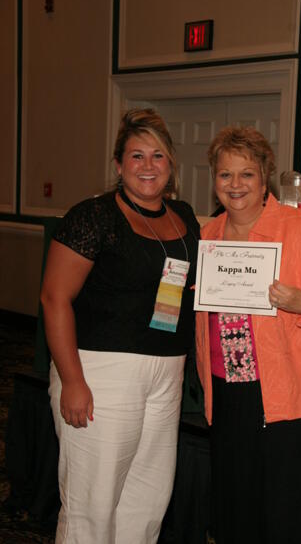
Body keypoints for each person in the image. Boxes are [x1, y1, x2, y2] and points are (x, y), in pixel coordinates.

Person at [195, 125, 301, 544]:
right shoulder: (209, 234)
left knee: (296, 514)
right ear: (213, 179)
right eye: (224, 175)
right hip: (231, 392)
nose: (235, 185)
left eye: (246, 174)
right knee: (241, 508)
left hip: (297, 398)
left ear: (265, 175)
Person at [40, 108, 200, 544]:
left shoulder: (184, 217)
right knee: (92, 504)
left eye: (158, 157)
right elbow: (54, 298)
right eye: (136, 156)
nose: (148, 167)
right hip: (102, 372)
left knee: (147, 501)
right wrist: (72, 380)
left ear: (171, 165)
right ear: (118, 165)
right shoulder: (93, 217)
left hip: (166, 373)